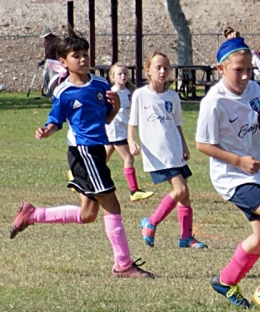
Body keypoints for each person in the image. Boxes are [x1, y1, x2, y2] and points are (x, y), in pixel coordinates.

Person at [8, 35, 153, 279]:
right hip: (83, 152)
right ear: (63, 62)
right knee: (112, 205)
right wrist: (46, 130)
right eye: (76, 56)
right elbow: (55, 121)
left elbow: (106, 118)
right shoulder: (64, 92)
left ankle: (32, 214)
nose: (83, 59)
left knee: (88, 215)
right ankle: (123, 265)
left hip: (96, 149)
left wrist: (115, 107)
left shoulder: (99, 84)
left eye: (85, 54)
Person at [195, 37, 260, 312]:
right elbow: (203, 144)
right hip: (232, 176)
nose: (244, 76)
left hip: (257, 170)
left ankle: (225, 280)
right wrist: (239, 160)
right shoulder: (213, 103)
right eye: (238, 70)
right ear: (221, 69)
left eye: (249, 70)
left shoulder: (253, 89)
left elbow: (254, 123)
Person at [128, 52, 207, 249]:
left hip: (174, 149)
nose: (162, 71)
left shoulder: (173, 96)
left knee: (185, 193)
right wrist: (130, 140)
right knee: (179, 190)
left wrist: (184, 145)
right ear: (148, 71)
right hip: (157, 151)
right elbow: (133, 123)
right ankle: (151, 222)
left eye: (166, 68)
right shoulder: (140, 95)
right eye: (158, 67)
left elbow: (177, 124)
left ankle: (186, 237)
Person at [106, 63, 154, 203]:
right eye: (119, 74)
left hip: (123, 128)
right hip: (115, 128)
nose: (123, 76)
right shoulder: (112, 93)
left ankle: (80, 174)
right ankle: (134, 191)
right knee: (129, 158)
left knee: (104, 157)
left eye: (125, 74)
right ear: (112, 77)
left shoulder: (128, 92)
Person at [39, 27, 63, 96]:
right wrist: (44, 60)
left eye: (46, 36)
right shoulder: (45, 42)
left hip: (55, 62)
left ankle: (54, 92)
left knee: (53, 77)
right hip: (48, 61)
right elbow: (47, 53)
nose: (45, 38)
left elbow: (61, 52)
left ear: (50, 35)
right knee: (45, 75)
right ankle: (48, 91)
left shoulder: (58, 42)